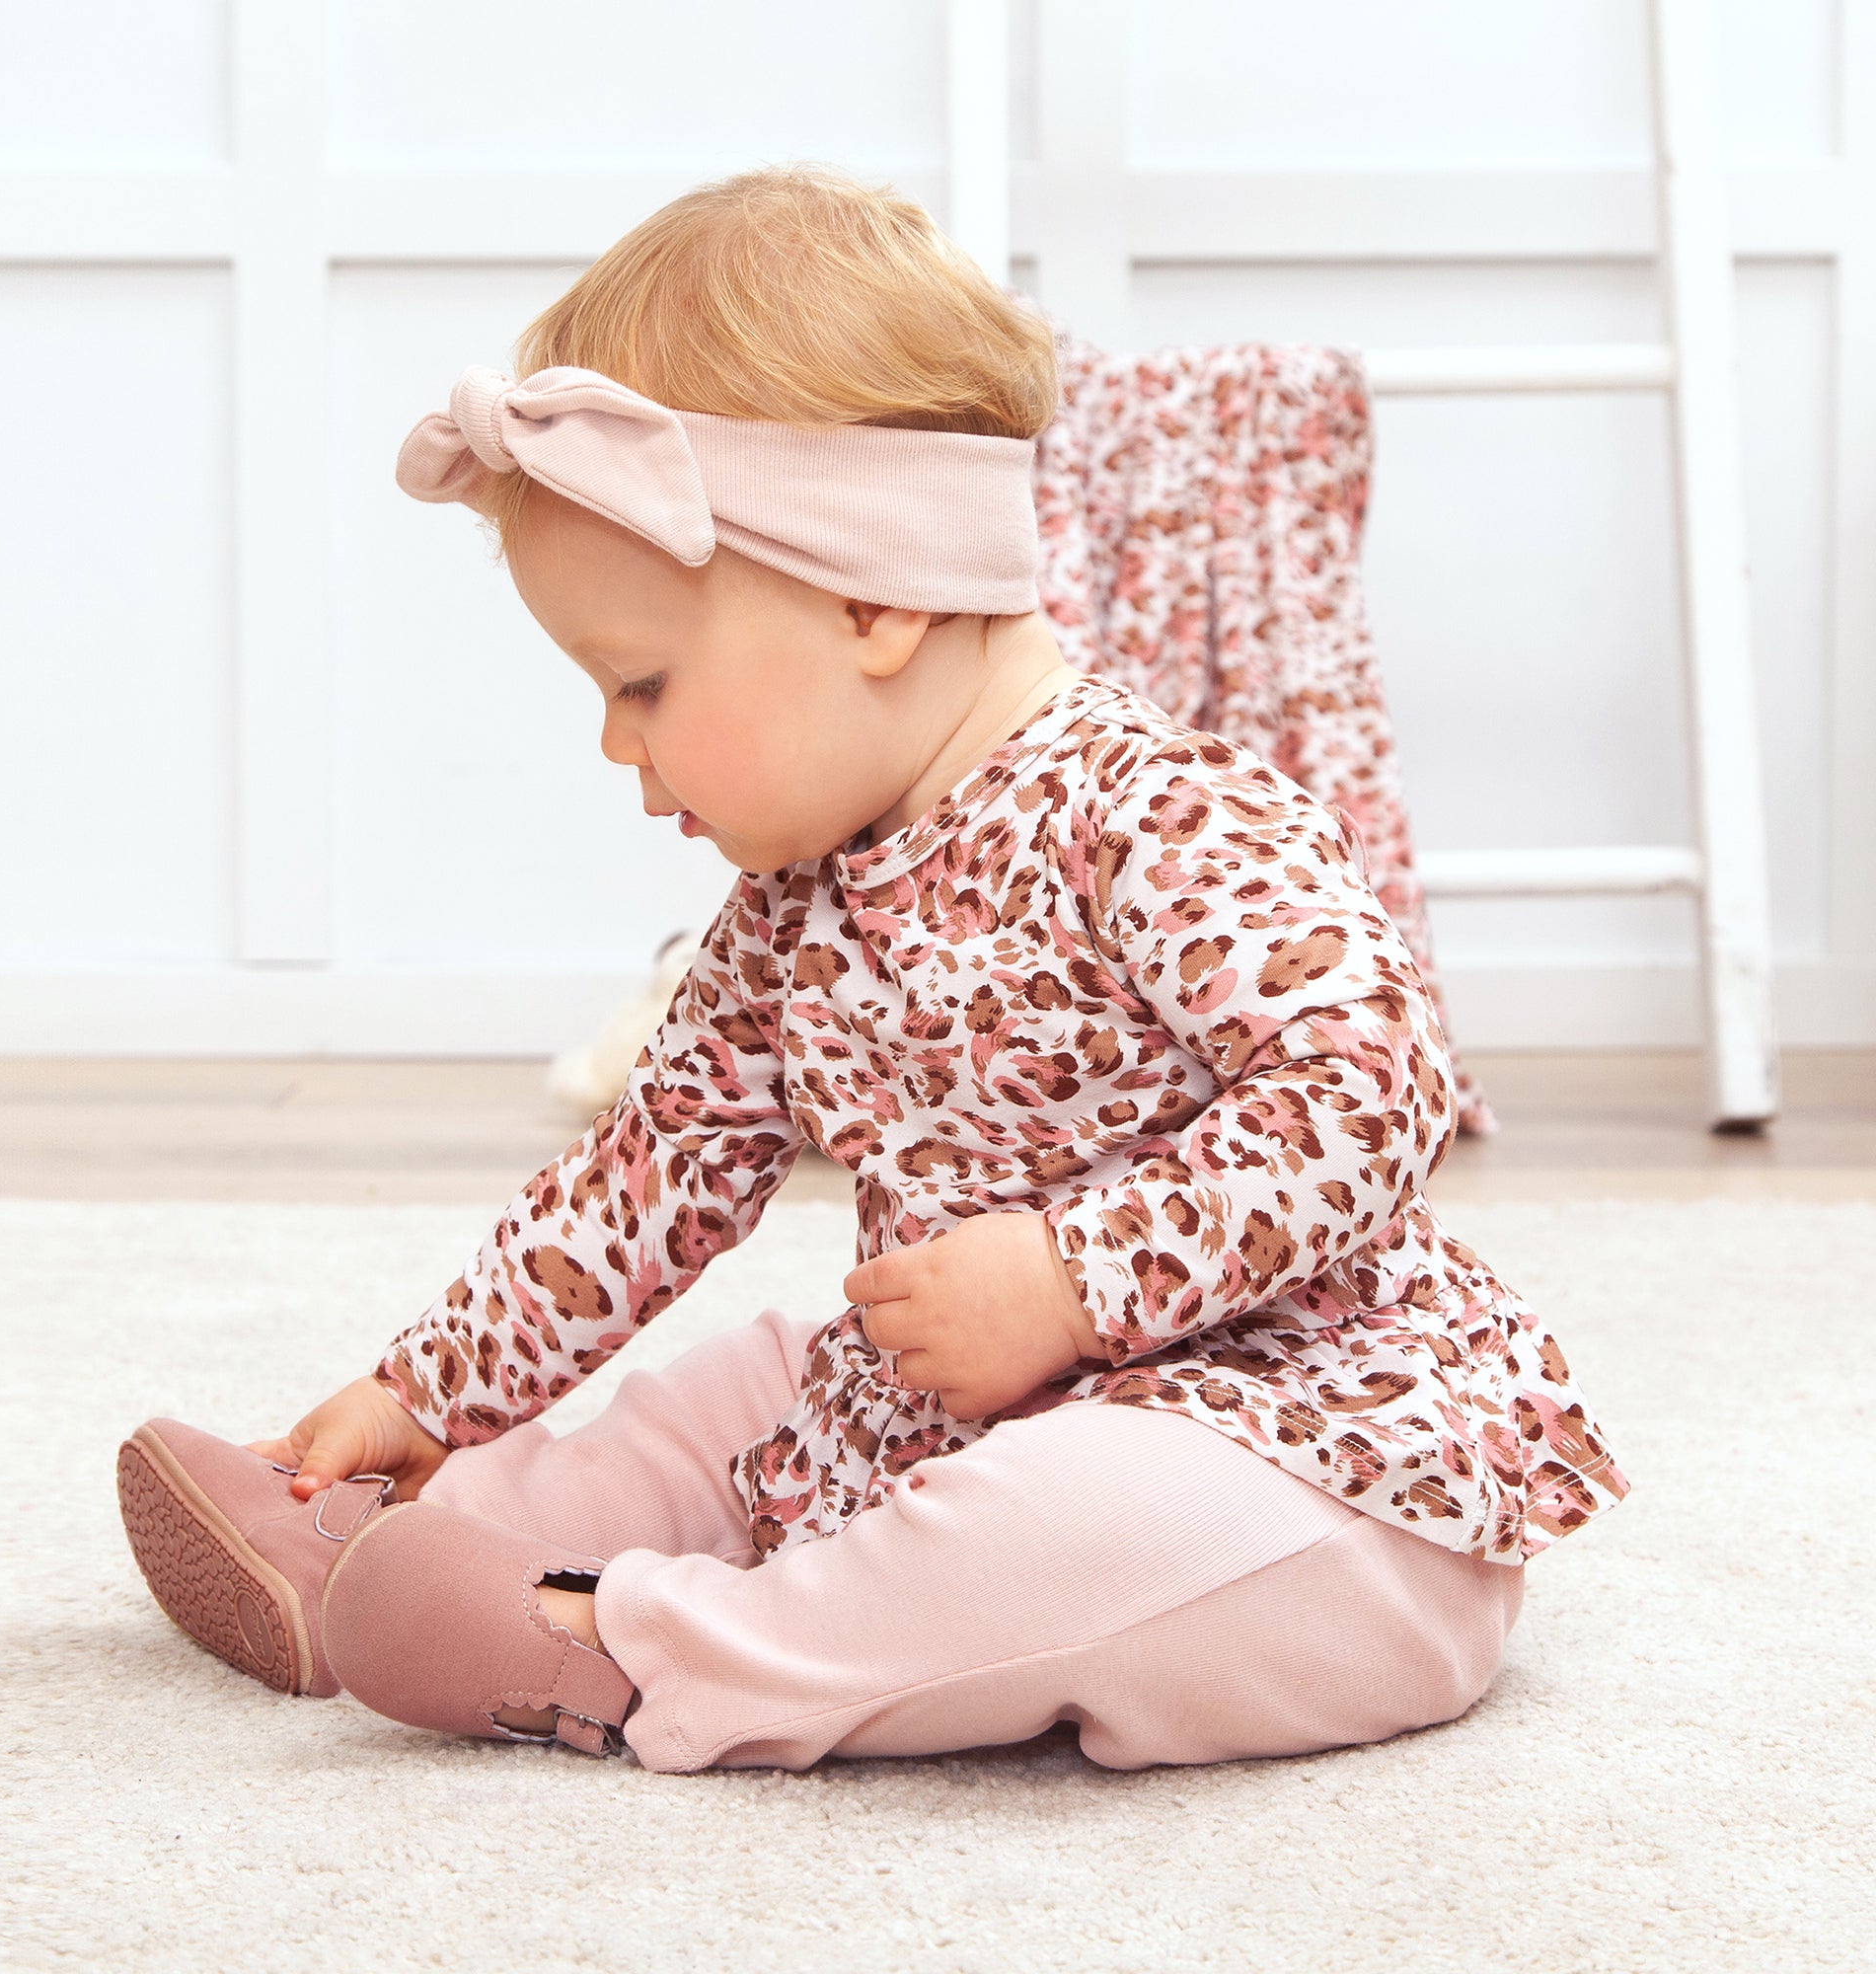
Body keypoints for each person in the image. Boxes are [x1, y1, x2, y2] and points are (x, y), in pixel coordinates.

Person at [116, 162, 1630, 1774]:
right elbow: (648, 1174)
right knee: (754, 1393)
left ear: (878, 599)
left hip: (1300, 1463)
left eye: (641, 682)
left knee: (1080, 1528)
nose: (615, 746)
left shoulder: (1158, 814)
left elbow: (1372, 1084)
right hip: (962, 1420)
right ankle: (396, 1539)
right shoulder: (795, 906)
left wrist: (1074, 1279)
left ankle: (639, 1659)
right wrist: (424, 1392)